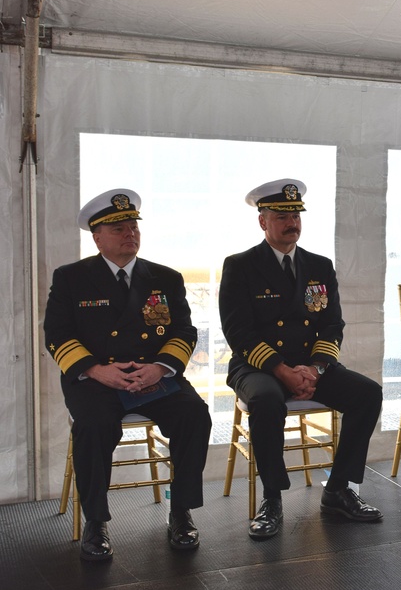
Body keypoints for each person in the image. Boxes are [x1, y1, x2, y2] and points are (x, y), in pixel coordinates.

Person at [43, 189, 212, 561]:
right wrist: (96, 370)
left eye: (133, 225)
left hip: (154, 375)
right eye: (118, 228)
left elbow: (184, 332)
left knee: (195, 415)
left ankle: (181, 512)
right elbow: (57, 335)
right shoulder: (72, 278)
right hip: (96, 379)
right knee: (93, 427)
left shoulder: (165, 278)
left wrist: (159, 367)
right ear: (97, 236)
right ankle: (96, 522)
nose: (129, 233)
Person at [218, 179, 383, 540]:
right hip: (257, 365)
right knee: (265, 400)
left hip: (311, 365)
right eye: (281, 215)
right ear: (263, 221)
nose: (291, 222)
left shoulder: (319, 266)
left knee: (368, 393)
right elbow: (239, 332)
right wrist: (281, 370)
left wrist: (316, 368)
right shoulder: (240, 266)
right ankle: (273, 499)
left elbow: (332, 323)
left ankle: (339, 489)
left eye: (295, 215)